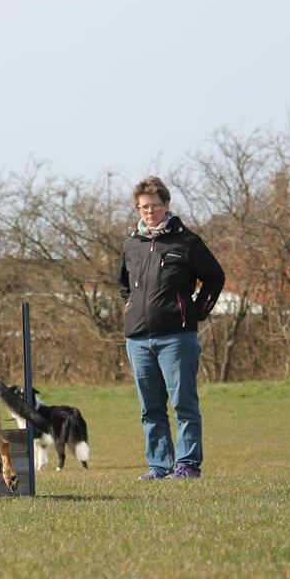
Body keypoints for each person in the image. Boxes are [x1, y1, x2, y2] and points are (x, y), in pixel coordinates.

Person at [117, 177, 224, 480]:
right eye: (142, 207)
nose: (148, 211)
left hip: (177, 337)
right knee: (150, 408)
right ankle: (159, 466)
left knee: (183, 404)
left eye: (153, 206)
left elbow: (215, 277)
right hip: (137, 339)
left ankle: (187, 465)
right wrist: (130, 303)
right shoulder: (131, 245)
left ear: (166, 205)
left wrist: (196, 312)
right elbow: (122, 283)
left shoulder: (187, 242)